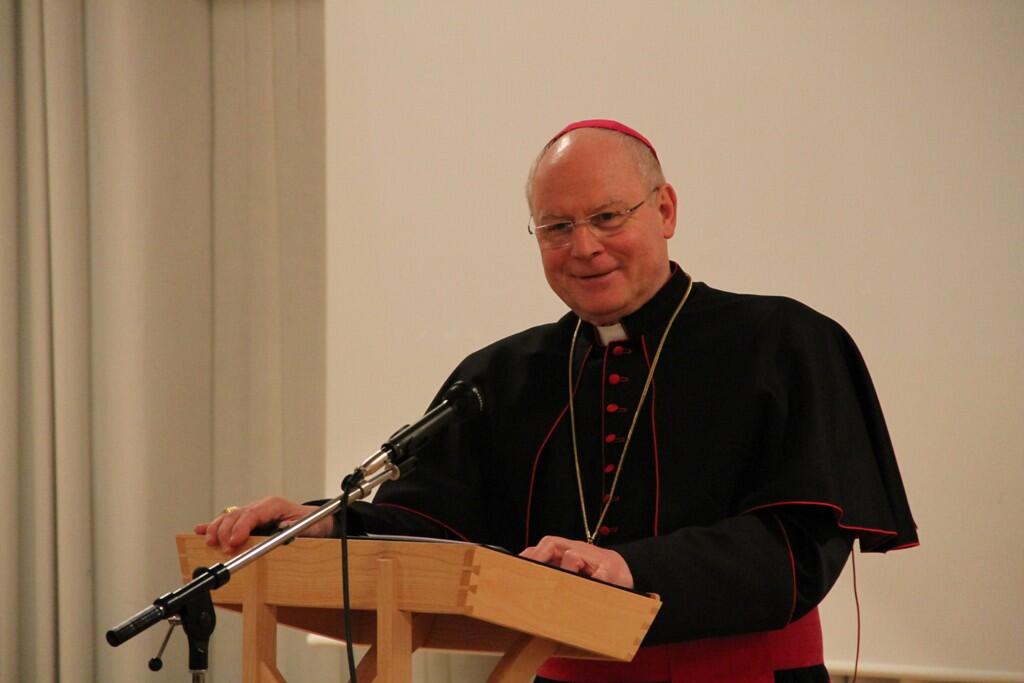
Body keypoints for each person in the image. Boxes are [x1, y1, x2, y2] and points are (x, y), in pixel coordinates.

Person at [197, 119, 917, 682]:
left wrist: (630, 568)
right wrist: (325, 525)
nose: (585, 247)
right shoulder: (502, 374)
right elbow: (437, 521)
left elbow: (797, 547)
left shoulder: (785, 342)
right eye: (557, 227)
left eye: (608, 217)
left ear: (664, 209)